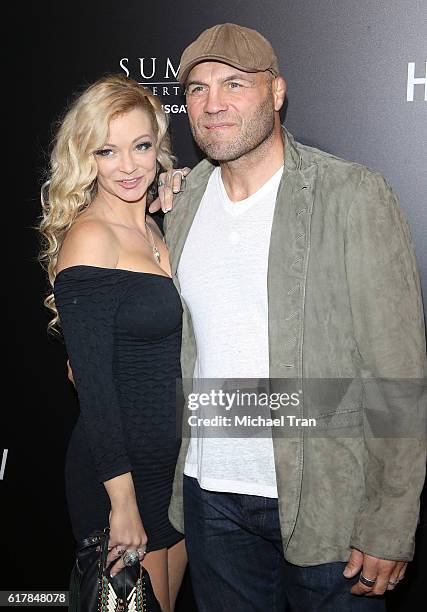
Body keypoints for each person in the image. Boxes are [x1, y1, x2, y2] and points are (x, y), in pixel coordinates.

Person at [150, 23, 427, 612]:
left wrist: (390, 517)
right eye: (197, 90)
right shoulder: (184, 201)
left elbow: (396, 370)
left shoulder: (351, 195)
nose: (213, 103)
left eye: (233, 84)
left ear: (276, 93)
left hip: (329, 499)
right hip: (210, 497)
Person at [38, 74, 187, 612]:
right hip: (118, 476)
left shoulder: (159, 229)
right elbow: (95, 387)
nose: (128, 166)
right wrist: (120, 502)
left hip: (173, 468)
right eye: (108, 150)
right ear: (86, 157)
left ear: (158, 148)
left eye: (141, 146)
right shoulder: (90, 238)